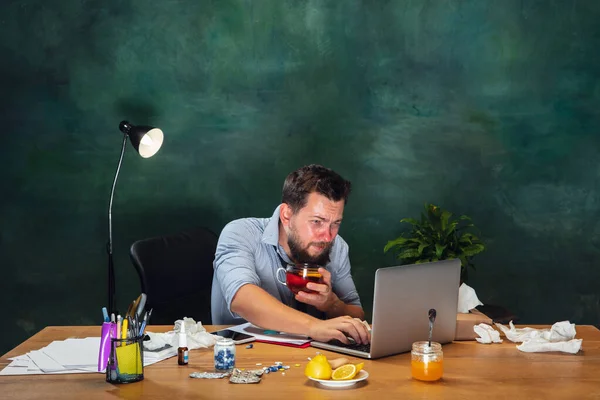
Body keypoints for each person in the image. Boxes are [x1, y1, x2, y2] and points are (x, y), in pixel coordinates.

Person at [211, 164, 370, 345]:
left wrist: (332, 304)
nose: (327, 236)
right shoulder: (240, 233)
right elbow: (242, 298)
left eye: (336, 223)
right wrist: (314, 326)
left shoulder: (338, 246)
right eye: (317, 222)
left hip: (312, 361)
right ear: (286, 215)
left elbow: (357, 314)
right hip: (243, 358)